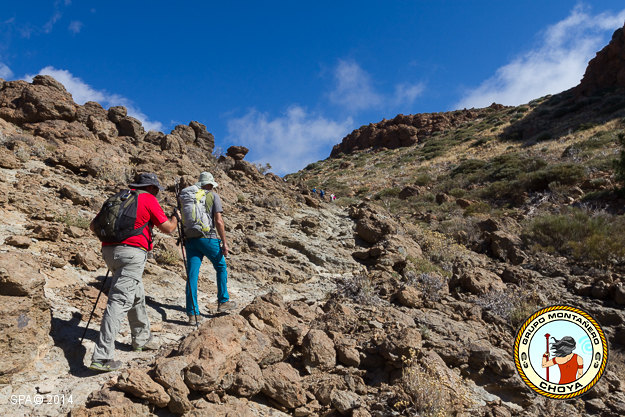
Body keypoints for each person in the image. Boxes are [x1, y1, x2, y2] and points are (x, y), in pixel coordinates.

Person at [88, 172, 179, 372]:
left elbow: (93, 226)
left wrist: (115, 244)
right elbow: (168, 228)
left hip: (109, 251)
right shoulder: (148, 199)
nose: (157, 193)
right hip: (132, 254)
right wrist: (175, 217)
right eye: (156, 190)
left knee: (136, 293)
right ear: (152, 188)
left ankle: (141, 339)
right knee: (119, 300)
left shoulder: (118, 197)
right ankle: (102, 357)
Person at [181, 171, 235, 322]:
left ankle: (193, 314)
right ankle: (223, 302)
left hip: (190, 239)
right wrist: (224, 243)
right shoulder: (213, 196)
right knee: (220, 266)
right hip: (208, 238)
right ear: (211, 184)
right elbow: (219, 221)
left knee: (192, 275)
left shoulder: (188, 197)